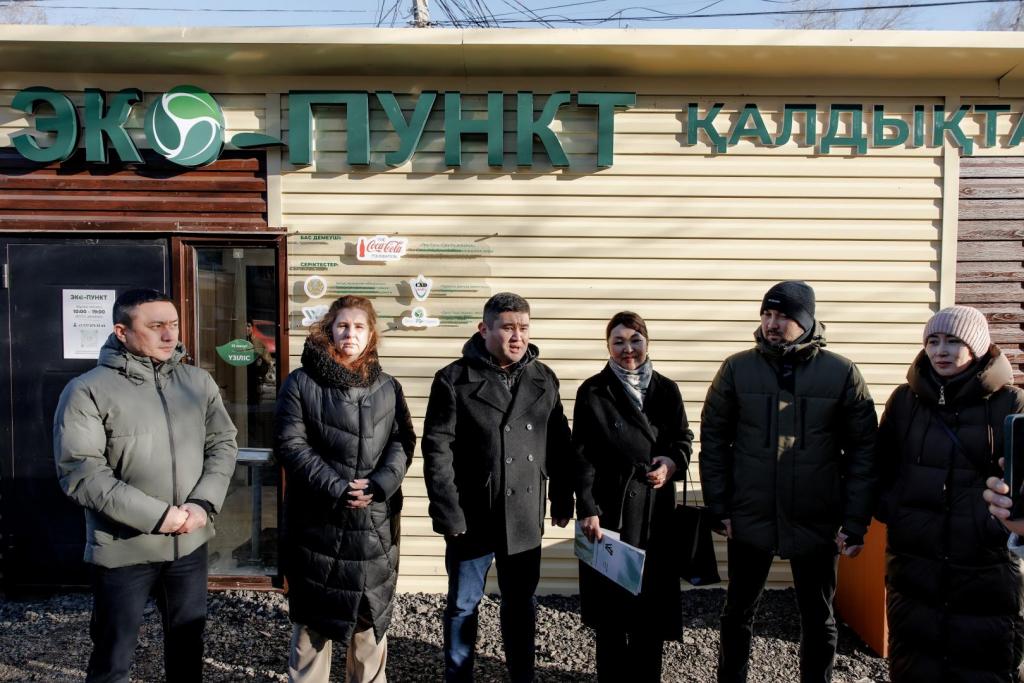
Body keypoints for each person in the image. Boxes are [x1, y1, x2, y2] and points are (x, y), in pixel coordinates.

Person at [53, 288, 238, 683]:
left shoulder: (196, 382)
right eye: (156, 327)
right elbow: (82, 472)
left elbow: (223, 443)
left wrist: (203, 504)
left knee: (188, 651)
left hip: (189, 544)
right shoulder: (87, 390)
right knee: (113, 657)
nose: (169, 335)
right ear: (122, 331)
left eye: (172, 325)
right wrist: (159, 517)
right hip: (123, 548)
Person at [699, 280, 877, 683]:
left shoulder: (842, 373)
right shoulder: (736, 368)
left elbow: (865, 452)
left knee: (819, 616)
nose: (772, 323)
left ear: (806, 321)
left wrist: (854, 523)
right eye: (767, 314)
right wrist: (719, 507)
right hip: (750, 514)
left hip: (816, 517)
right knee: (737, 612)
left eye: (784, 316)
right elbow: (713, 441)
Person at [422, 292, 573, 683]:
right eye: (507, 327)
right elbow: (437, 451)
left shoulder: (544, 377)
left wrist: (561, 496)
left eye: (523, 328)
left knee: (521, 603)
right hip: (472, 514)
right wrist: (447, 512)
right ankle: (458, 676)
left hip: (524, 512)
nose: (517, 336)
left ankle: (521, 676)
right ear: (484, 328)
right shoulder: (453, 379)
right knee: (462, 605)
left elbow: (558, 441)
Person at [876, 305, 1024, 682]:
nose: (941, 350)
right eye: (933, 341)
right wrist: (897, 512)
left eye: (953, 341)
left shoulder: (1012, 403)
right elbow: (881, 467)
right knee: (914, 661)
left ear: (976, 347)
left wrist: (994, 524)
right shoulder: (904, 401)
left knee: (985, 664)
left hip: (985, 563)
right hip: (914, 562)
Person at [274, 295, 414, 683]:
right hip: (318, 522)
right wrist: (337, 487)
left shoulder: (388, 386)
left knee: (368, 628)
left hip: (374, 525)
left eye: (358, 326)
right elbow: (290, 444)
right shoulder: (300, 383)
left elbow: (403, 441)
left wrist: (381, 484)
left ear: (371, 335)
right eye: (342, 325)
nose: (349, 333)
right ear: (329, 329)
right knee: (313, 628)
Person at [573, 311, 693, 682]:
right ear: (608, 346)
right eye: (619, 342)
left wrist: (672, 463)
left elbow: (683, 439)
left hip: (656, 513)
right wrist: (588, 508)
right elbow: (582, 454)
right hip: (610, 512)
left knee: (650, 608)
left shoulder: (666, 389)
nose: (628, 349)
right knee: (611, 609)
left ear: (647, 342)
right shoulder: (593, 391)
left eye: (635, 340)